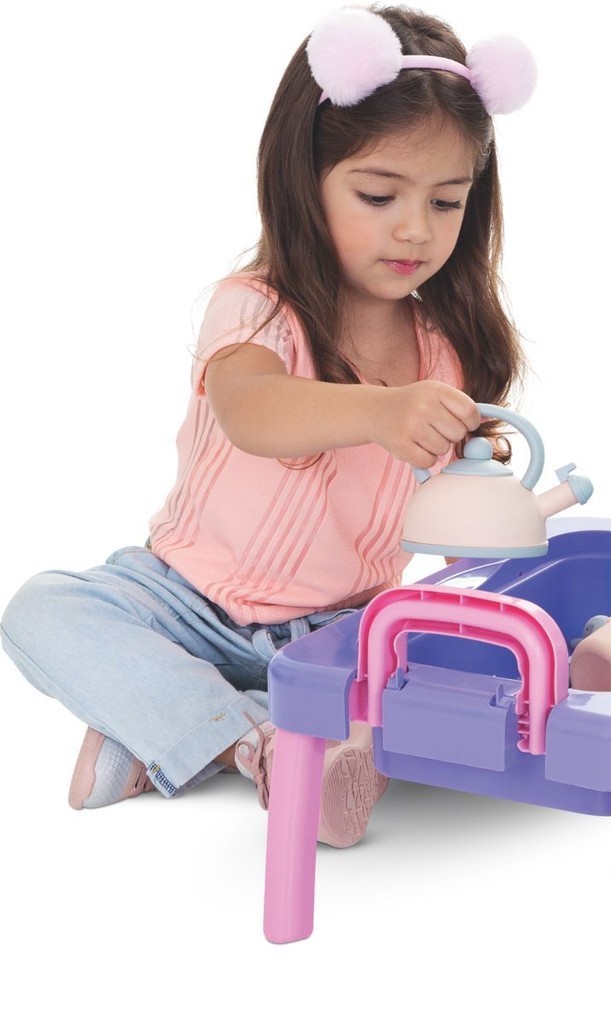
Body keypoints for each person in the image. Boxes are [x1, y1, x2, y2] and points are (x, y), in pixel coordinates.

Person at [0, 4, 534, 848]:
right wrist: (380, 410)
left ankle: (168, 728)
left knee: (431, 668)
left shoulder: (444, 350)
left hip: (341, 627)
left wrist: (493, 528)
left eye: (446, 202)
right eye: (378, 195)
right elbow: (253, 411)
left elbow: (449, 521)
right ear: (303, 179)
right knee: (43, 609)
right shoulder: (255, 310)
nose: (414, 229)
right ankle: (259, 743)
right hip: (181, 600)